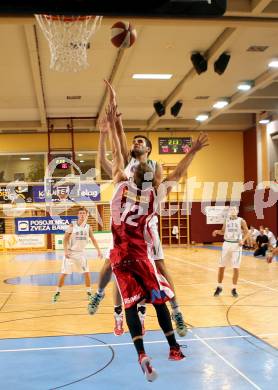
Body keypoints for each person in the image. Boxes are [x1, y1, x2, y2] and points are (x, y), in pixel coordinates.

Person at [107, 103, 208, 381]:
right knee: (157, 295)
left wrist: (112, 125)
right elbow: (175, 176)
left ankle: (139, 348)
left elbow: (117, 151)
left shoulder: (119, 186)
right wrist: (193, 151)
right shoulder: (152, 196)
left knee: (128, 296)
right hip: (140, 248)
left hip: (120, 252)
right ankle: (173, 345)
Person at [88, 80, 187, 337]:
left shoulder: (154, 165)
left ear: (148, 148)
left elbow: (161, 186)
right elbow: (118, 137)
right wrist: (112, 103)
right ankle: (114, 311)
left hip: (145, 224)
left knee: (159, 268)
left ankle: (175, 311)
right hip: (124, 224)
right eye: (135, 140)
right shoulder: (126, 162)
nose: (137, 142)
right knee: (115, 267)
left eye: (141, 140)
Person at [52, 207, 103, 302]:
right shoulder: (72, 225)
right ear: (78, 215)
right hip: (70, 253)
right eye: (80, 213)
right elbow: (65, 239)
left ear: (86, 215)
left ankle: (89, 293)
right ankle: (57, 293)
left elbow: (93, 239)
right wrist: (66, 250)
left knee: (86, 272)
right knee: (64, 273)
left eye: (84, 213)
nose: (82, 215)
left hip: (81, 254)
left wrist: (99, 250)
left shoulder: (88, 227)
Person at [212, 207, 249, 298]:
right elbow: (223, 231)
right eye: (231, 209)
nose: (232, 211)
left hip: (236, 245)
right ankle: (219, 286)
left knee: (236, 267)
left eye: (234, 209)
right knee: (221, 266)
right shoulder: (226, 220)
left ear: (237, 211)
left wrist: (243, 240)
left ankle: (234, 288)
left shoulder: (241, 221)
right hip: (226, 244)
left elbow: (247, 232)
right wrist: (217, 231)